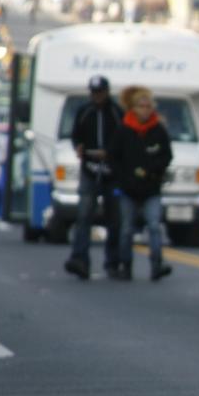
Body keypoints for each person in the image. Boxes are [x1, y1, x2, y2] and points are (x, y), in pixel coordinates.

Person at [109, 86, 173, 281]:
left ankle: (156, 263)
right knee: (127, 228)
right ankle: (125, 264)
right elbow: (114, 157)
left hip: (151, 187)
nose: (145, 110)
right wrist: (124, 177)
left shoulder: (158, 130)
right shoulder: (124, 129)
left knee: (154, 225)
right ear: (133, 108)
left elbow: (166, 156)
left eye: (148, 106)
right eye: (141, 106)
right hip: (128, 189)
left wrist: (152, 170)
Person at [64, 75, 124, 280]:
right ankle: (80, 259)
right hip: (89, 170)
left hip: (112, 172)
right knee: (84, 216)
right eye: (94, 92)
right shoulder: (84, 111)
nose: (97, 96)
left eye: (100, 92)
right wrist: (79, 148)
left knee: (114, 219)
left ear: (107, 92)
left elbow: (124, 139)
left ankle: (113, 261)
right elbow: (75, 136)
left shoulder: (116, 112)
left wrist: (109, 153)